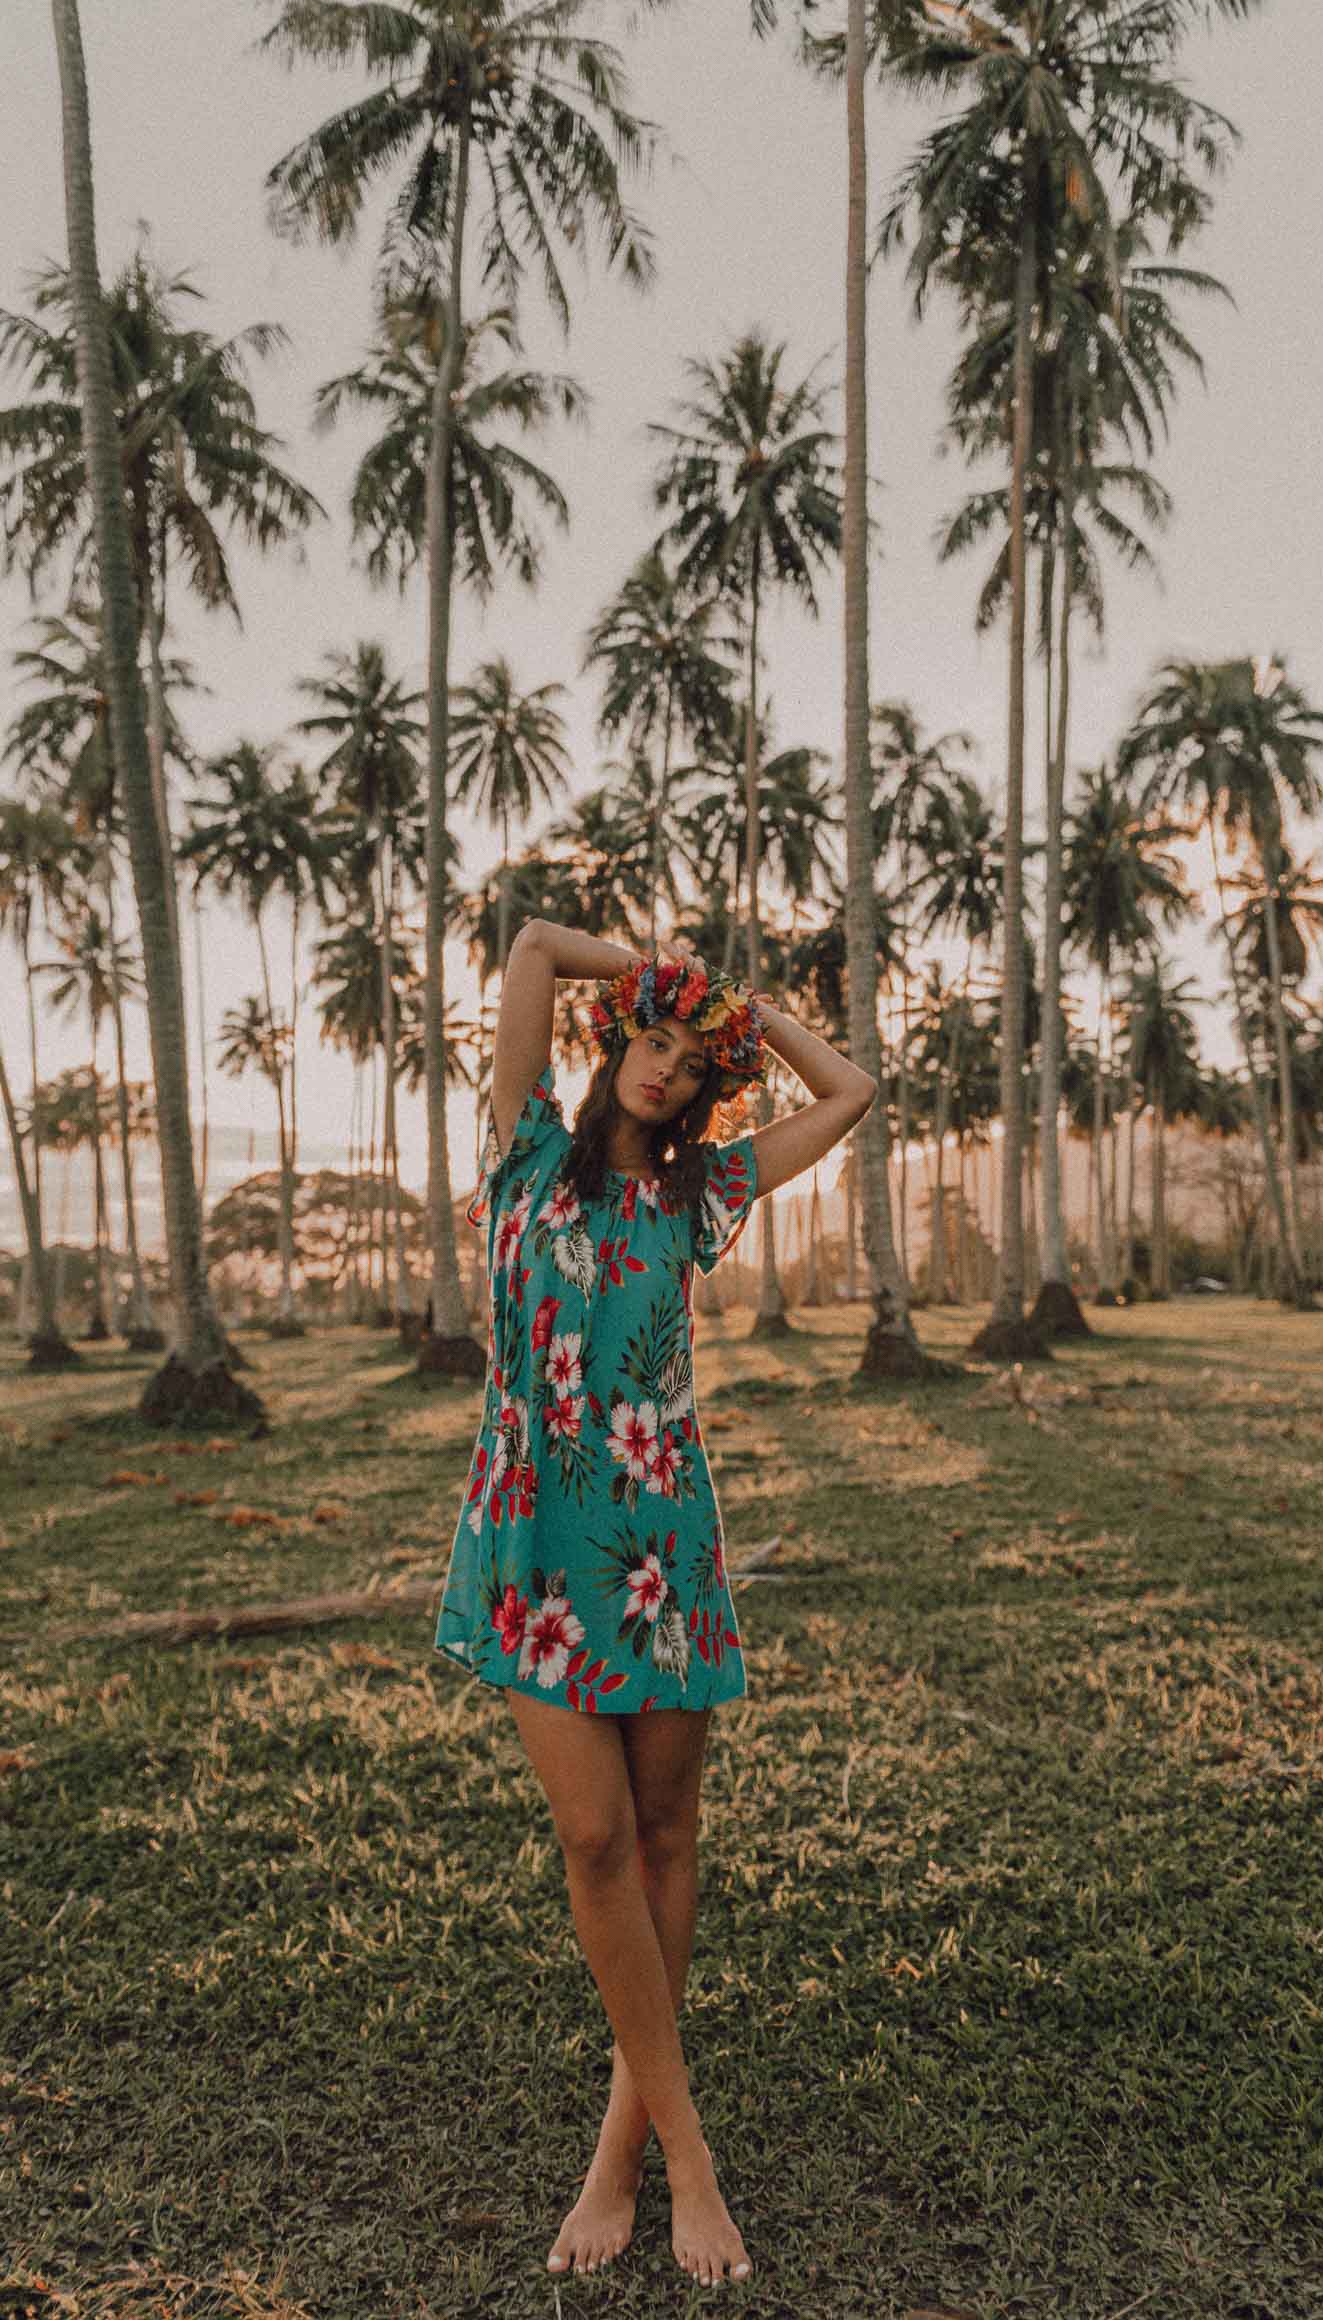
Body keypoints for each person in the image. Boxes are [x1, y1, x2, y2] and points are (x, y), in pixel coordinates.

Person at [434, 917, 876, 2286]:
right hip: (531, 1544)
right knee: (592, 1836)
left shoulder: (694, 1195)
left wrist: (736, 1010)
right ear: (613, 1038)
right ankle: (694, 2156)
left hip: (662, 1553)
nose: (664, 1071)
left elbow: (852, 1094)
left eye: (691, 1064)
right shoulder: (518, 1156)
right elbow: (521, 951)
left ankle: (623, 2152)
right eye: (651, 1039)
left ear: (700, 1093)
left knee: (669, 1834)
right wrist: (650, 960)